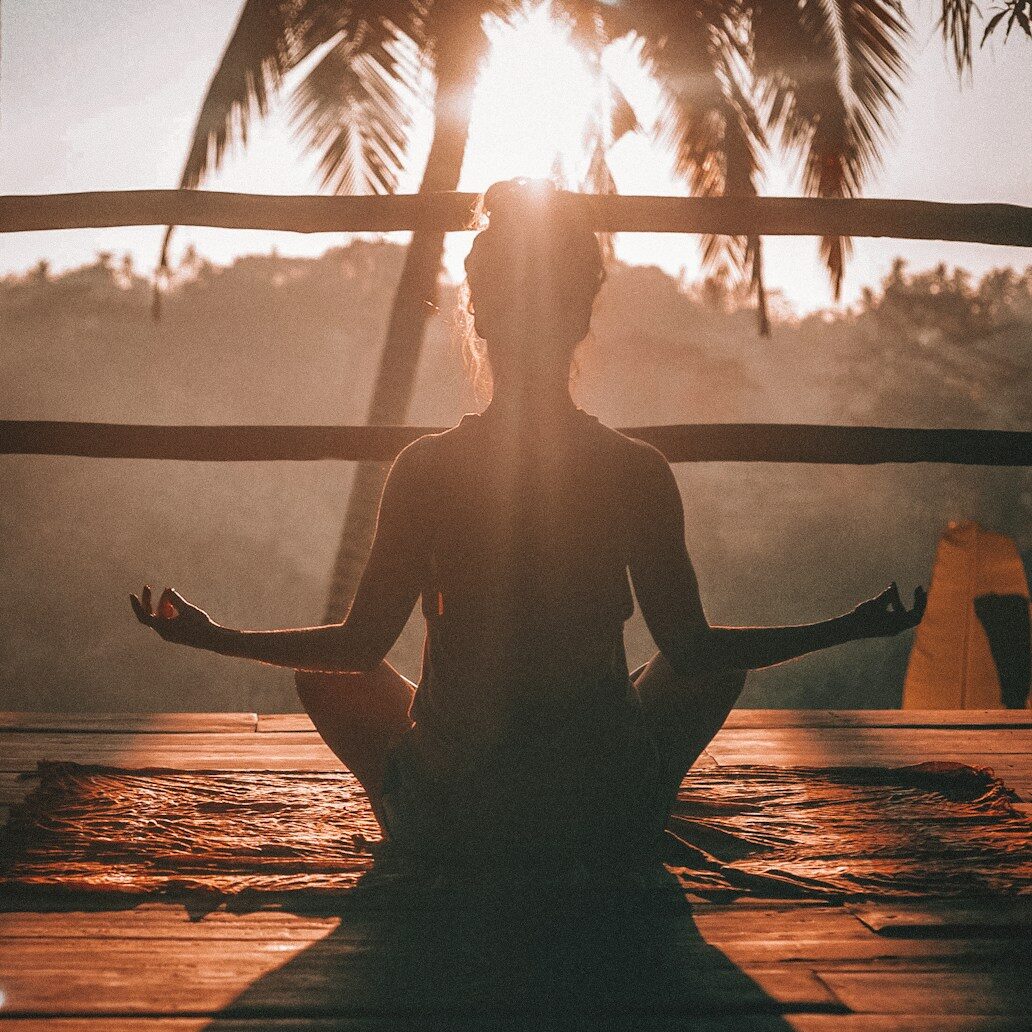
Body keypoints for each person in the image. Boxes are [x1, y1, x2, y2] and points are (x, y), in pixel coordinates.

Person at [132, 179, 926, 873]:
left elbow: (355, 649)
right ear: (581, 318)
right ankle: (635, 807)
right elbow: (694, 651)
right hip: (599, 814)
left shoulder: (427, 469)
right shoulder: (634, 469)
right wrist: (847, 626)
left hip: (459, 820)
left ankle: (415, 821)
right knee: (712, 665)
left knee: (326, 675)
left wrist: (214, 635)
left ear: (477, 317)